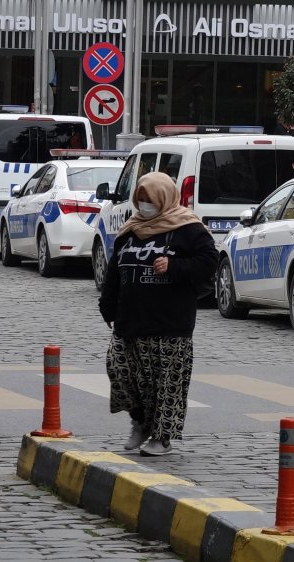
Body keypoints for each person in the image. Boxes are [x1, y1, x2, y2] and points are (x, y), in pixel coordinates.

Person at [98, 172, 218, 456]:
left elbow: (208, 262)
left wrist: (175, 266)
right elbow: (115, 269)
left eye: (149, 200)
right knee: (120, 370)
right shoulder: (131, 229)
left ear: (164, 198)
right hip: (130, 319)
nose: (144, 205)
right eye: (140, 200)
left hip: (170, 322)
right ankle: (140, 422)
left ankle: (161, 437)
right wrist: (108, 304)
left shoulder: (189, 228)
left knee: (166, 383)